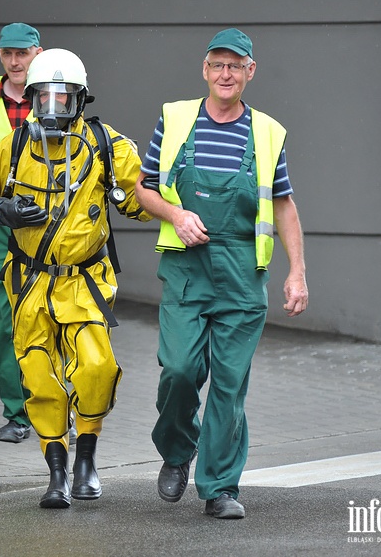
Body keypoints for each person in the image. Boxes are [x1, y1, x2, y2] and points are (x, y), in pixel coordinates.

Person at [0, 48, 151, 508]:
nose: (52, 107)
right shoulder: (15, 147)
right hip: (30, 283)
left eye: (62, 98)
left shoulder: (106, 144)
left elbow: (142, 195)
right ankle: (56, 470)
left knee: (97, 368)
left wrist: (169, 200)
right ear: (30, 101)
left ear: (80, 101)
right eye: (43, 98)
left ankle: (86, 452)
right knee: (40, 378)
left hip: (84, 282)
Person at [134, 28, 308, 519]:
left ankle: (220, 487)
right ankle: (176, 450)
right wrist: (174, 214)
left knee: (229, 386)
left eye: (235, 65)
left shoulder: (268, 132)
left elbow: (283, 203)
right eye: (217, 65)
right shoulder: (175, 118)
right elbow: (144, 187)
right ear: (205, 70)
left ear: (251, 72)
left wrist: (297, 273)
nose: (225, 74)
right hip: (188, 269)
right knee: (180, 372)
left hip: (241, 273)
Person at [0, 23, 42, 443]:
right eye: (7, 54)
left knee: (44, 318)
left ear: (38, 53)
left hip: (42, 225)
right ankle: (17, 414)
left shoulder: (57, 93)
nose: (15, 62)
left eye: (23, 53)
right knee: (0, 324)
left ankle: (51, 403)